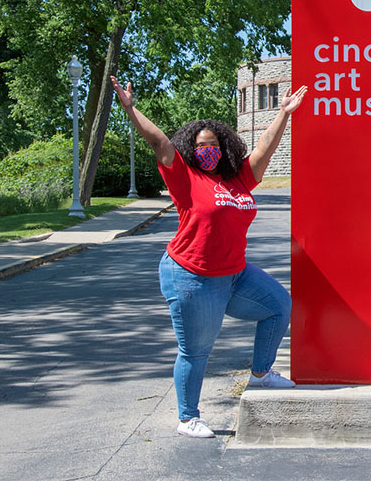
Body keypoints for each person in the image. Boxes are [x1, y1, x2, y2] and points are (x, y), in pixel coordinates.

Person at [111, 75, 308, 439]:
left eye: (214, 144)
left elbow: (264, 149)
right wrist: (129, 108)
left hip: (234, 275)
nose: (208, 149)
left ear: (225, 146)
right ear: (191, 149)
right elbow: (158, 140)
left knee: (279, 305)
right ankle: (188, 417)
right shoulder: (184, 177)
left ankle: (262, 372)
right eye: (201, 145)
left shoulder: (238, 179)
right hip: (192, 275)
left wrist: (283, 114)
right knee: (196, 350)